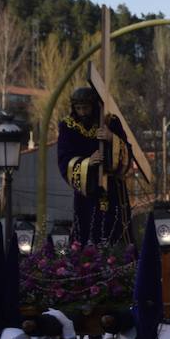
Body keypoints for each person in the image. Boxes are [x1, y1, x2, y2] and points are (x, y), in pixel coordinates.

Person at [56, 85, 133, 245]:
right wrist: (87, 163)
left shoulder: (110, 121)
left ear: (94, 105)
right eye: (78, 108)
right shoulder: (68, 126)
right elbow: (64, 159)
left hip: (113, 189)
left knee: (115, 230)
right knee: (86, 232)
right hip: (87, 191)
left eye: (86, 108)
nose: (82, 112)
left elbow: (127, 153)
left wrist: (112, 138)